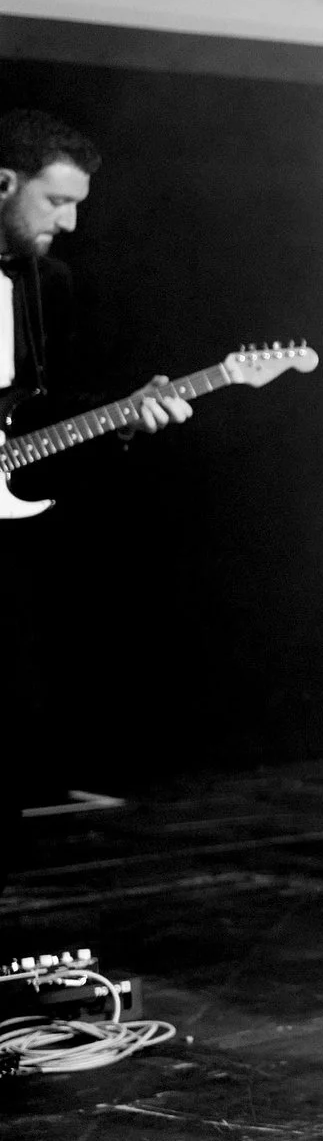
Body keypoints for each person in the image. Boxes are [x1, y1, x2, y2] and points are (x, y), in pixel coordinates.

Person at [0, 108, 191, 890]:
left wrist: (121, 419)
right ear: (2, 182)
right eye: (56, 201)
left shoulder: (48, 283)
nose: (70, 222)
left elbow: (38, 415)